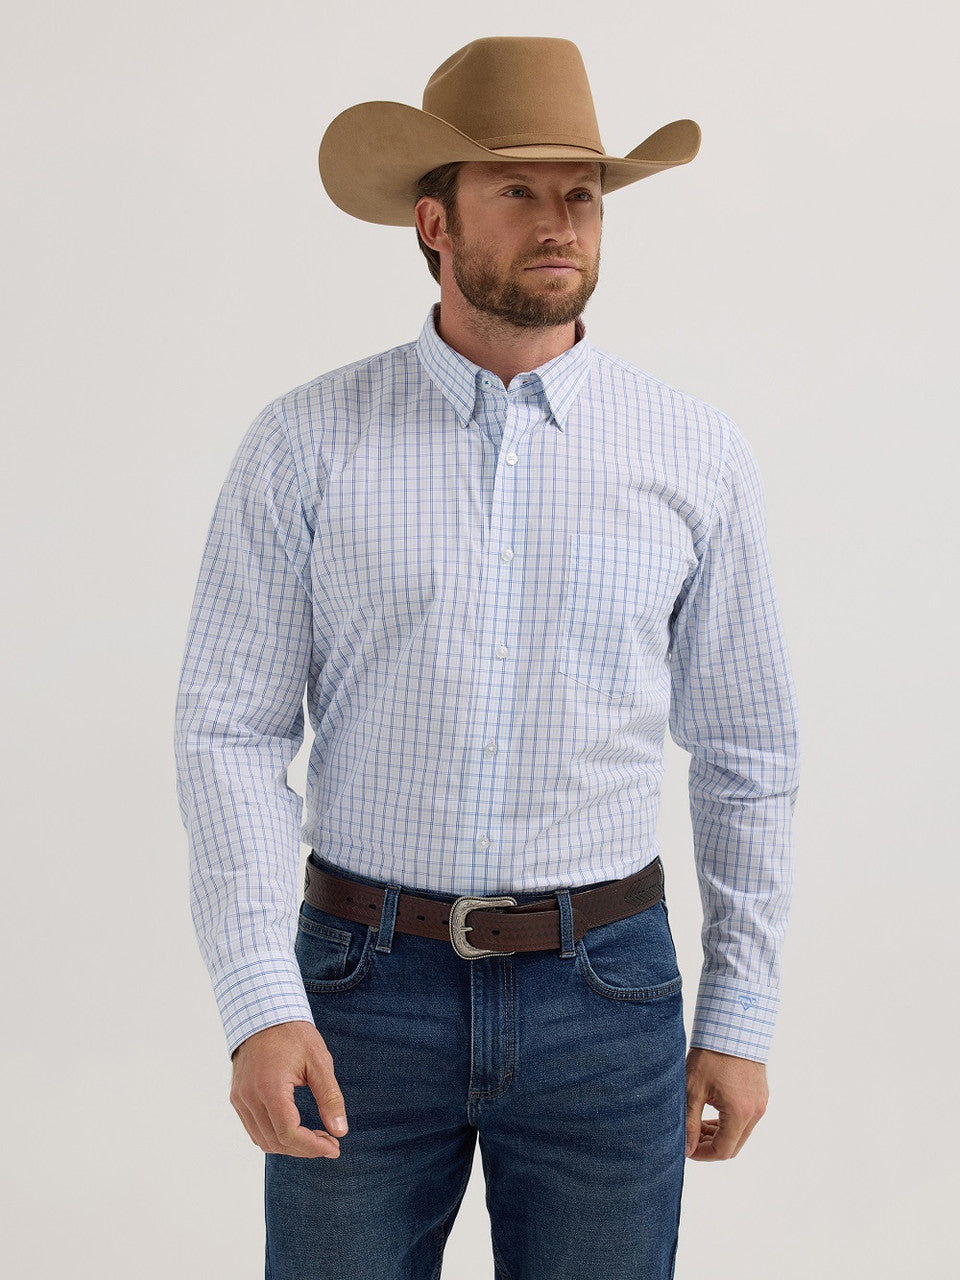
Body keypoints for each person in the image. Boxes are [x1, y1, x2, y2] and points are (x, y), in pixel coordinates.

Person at [174, 35, 800, 1280]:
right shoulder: (308, 443)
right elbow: (228, 728)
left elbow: (749, 748)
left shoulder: (694, 453)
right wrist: (259, 998)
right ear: (435, 222)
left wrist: (740, 1010)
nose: (560, 221)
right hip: (359, 986)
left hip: (606, 992)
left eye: (582, 192)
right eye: (518, 189)